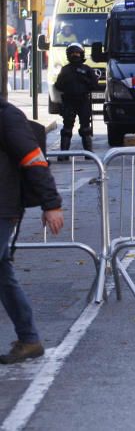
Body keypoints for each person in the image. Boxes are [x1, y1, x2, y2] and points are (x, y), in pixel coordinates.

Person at [0, 97, 63, 364]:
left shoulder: (6, 116)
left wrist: (51, 204)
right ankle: (29, 339)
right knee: (4, 277)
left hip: (2, 208)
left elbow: (34, 161)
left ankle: (29, 338)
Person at [54, 43, 98, 154]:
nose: (75, 55)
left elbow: (94, 85)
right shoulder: (65, 70)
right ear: (69, 55)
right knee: (67, 129)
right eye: (73, 53)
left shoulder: (87, 69)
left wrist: (84, 80)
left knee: (85, 129)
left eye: (77, 53)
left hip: (83, 101)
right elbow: (58, 85)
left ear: (81, 54)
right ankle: (63, 154)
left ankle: (88, 153)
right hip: (69, 102)